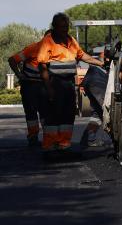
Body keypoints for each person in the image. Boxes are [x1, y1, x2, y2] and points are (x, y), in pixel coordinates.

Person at [35, 13, 104, 156]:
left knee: (68, 114)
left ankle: (64, 145)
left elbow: (82, 55)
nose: (65, 30)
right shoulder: (47, 42)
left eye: (66, 27)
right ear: (54, 27)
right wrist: (49, 88)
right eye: (62, 27)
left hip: (68, 83)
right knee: (54, 115)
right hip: (55, 83)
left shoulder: (71, 40)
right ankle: (49, 145)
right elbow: (42, 67)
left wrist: (100, 63)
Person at [7, 33, 50, 146]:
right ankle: (33, 136)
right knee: (31, 113)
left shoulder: (54, 51)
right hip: (30, 85)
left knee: (45, 112)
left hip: (43, 85)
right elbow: (12, 60)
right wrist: (20, 75)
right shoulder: (32, 48)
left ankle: (48, 137)